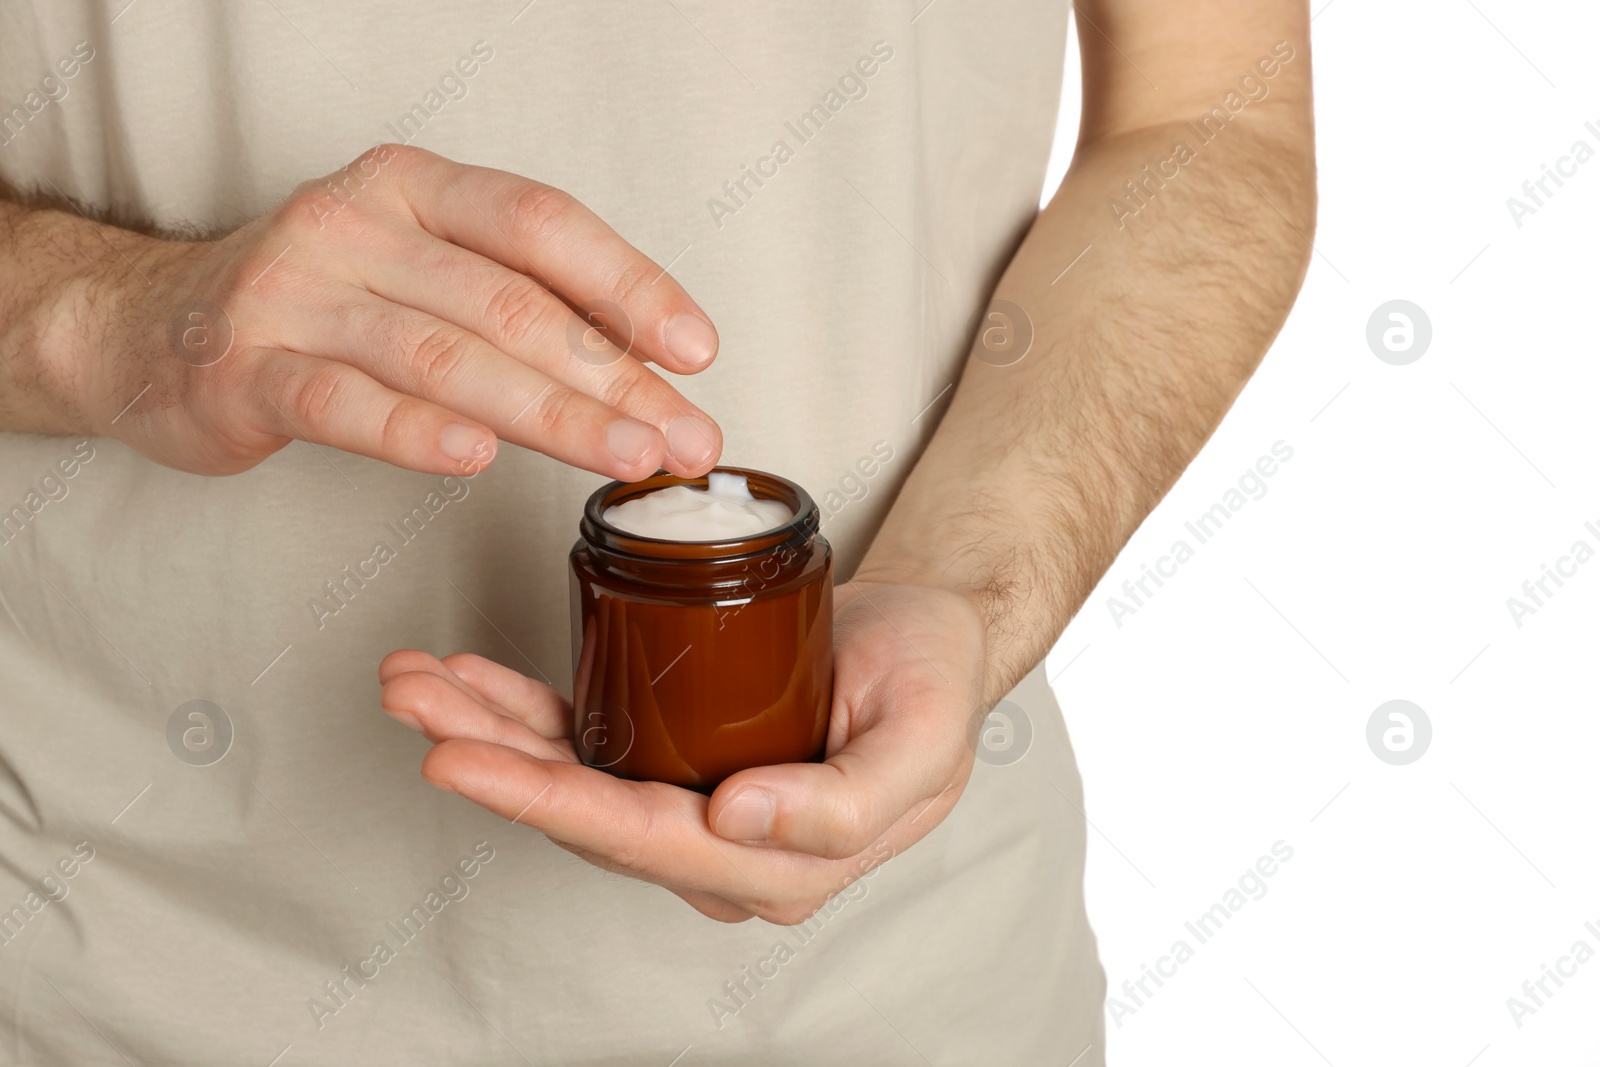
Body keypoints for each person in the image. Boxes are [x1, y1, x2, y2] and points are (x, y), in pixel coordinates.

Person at [0, 0, 1314, 1062]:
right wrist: (97, 309)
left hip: (903, 998)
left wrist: (962, 591)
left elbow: (1209, 119)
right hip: (100, 974)